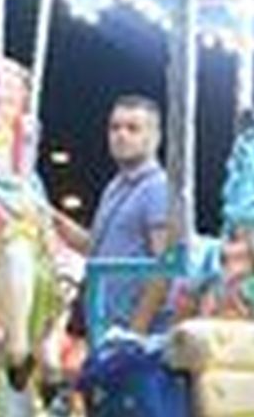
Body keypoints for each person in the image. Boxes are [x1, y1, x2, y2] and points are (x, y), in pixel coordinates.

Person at [58, 95, 173, 331]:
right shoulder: (114, 187)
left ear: (154, 137)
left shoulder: (158, 188)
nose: (121, 135)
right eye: (115, 128)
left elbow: (165, 266)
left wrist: (136, 331)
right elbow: (97, 249)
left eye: (133, 129)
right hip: (103, 324)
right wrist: (52, 218)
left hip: (131, 331)